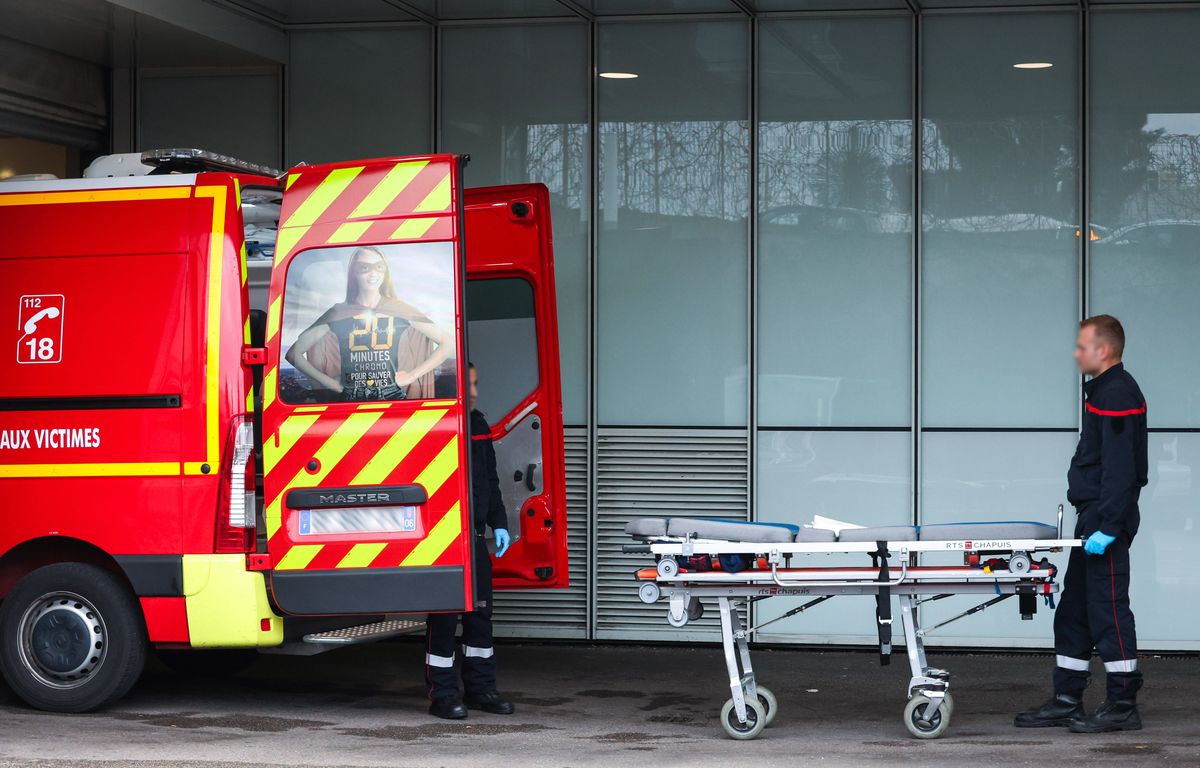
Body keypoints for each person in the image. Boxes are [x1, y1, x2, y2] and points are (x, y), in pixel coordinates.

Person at [1015, 314, 1147, 733]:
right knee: (1074, 611)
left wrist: (1109, 525)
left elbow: (1121, 469)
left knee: (1108, 609)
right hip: (1093, 517)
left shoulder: (1118, 393)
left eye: (1082, 346)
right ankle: (1067, 697)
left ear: (1103, 350)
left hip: (1105, 520)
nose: (1075, 353)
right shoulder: (1104, 391)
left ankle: (1123, 703)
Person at [424, 363, 515, 720]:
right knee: (445, 618)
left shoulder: (477, 425)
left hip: (475, 539)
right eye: (467, 384)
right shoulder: (433, 423)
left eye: (476, 383)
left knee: (480, 617)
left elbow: (490, 482)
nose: (474, 391)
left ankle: (481, 690)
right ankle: (443, 695)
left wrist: (499, 523)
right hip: (443, 539)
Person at [286, 246, 448, 401]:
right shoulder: (338, 313)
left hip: (391, 393)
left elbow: (448, 343)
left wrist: (412, 376)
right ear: (353, 272)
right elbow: (293, 354)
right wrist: (332, 384)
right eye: (364, 268)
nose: (373, 273)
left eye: (379, 267)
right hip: (350, 396)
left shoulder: (399, 309)